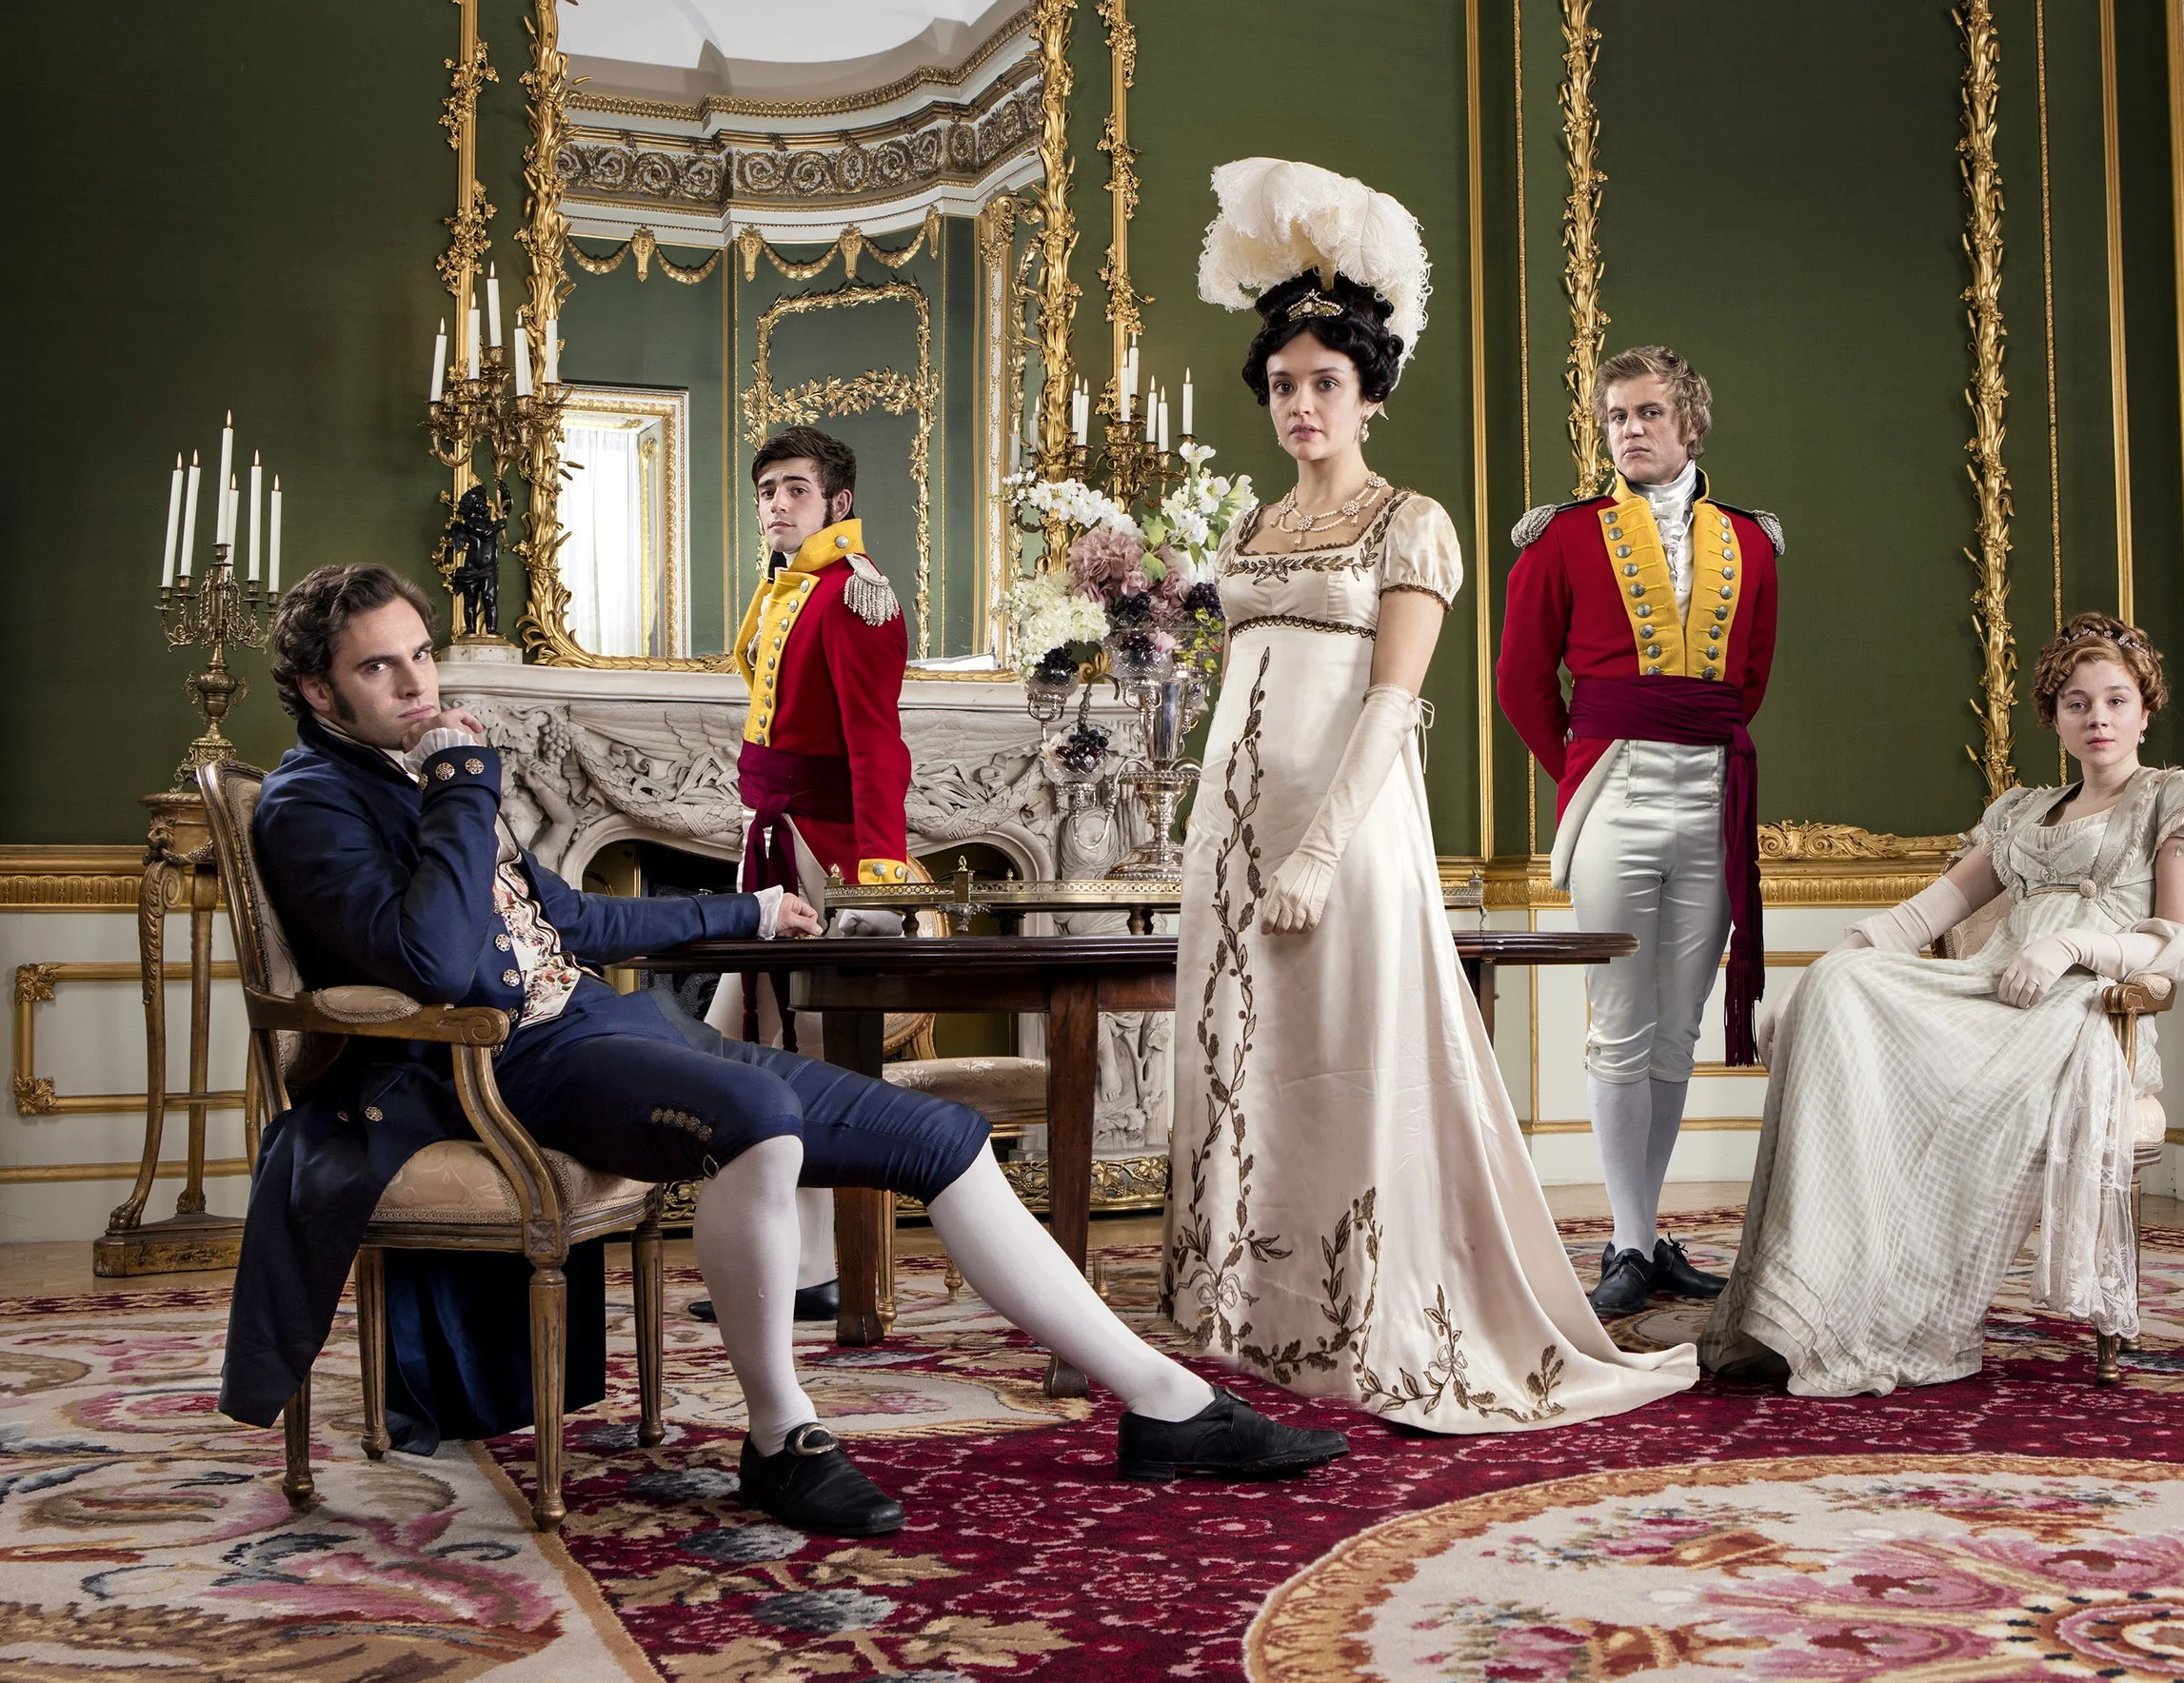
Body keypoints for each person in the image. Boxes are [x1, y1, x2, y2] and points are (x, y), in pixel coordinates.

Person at [219, 564, 1347, 1538]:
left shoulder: (414, 768)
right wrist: (466, 780)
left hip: (607, 1030)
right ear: (320, 691)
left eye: (422, 655)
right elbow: (430, 957)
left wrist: (750, 911)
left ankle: (1164, 1406)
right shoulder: (312, 806)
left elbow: (571, 916)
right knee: (757, 1126)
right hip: (507, 1071)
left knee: (945, 1136)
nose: (421, 686)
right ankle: (781, 1434)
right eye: (383, 670)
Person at [1161, 157, 1699, 1433]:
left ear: (1368, 397)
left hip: (1341, 842)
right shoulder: (1245, 531)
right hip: (1228, 835)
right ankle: (1262, 1315)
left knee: (1348, 1066)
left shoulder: (1413, 524)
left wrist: (1311, 854)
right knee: (1254, 1064)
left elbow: (1392, 704)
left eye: (1325, 385)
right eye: (1285, 385)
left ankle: (1373, 1318)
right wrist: (1234, 840)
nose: (1302, 405)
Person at [1698, 613, 2184, 1396]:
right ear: (2053, 716)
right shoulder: (2023, 813)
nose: (2098, 719)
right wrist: (1812, 978)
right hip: (1989, 994)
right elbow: (1924, 915)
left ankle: (1893, 1314)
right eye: (2078, 703)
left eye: (2117, 701)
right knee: (1842, 987)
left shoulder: (2176, 800)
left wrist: (2074, 947)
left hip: (2079, 1015)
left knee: (1858, 1006)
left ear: (2146, 708)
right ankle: (1817, 1301)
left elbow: (2177, 947)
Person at [1496, 345, 1781, 1317]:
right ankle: (1624, 1240)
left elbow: (1749, 676)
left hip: (1710, 790)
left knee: (1676, 1031)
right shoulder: (1560, 537)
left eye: (1649, 411)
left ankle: (1645, 1233)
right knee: (1619, 1029)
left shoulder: (1749, 540)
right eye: (1617, 414)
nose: (1631, 429)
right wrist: (1584, 778)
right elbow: (1520, 683)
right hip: (1613, 790)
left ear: (1690, 422)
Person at [692, 424, 920, 1327]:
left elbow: (877, 748)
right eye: (766, 491)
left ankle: (814, 1269)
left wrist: (878, 883)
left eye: (795, 489)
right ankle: (798, 1266)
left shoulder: (855, 598)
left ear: (840, 504)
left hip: (823, 853)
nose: (777, 505)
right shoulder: (789, 588)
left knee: (790, 1055)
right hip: (770, 836)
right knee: (765, 1055)